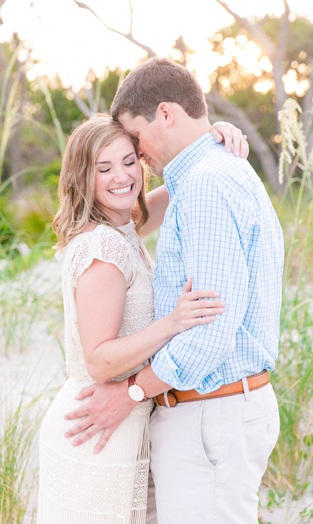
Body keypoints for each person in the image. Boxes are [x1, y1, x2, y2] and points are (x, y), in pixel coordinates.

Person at [64, 58, 284, 524]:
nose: (138, 159)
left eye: (135, 143)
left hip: (211, 416)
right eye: (107, 165)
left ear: (166, 113)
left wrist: (131, 394)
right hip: (210, 415)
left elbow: (209, 335)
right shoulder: (204, 176)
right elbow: (134, 212)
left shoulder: (206, 184)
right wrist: (211, 133)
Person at [36, 113, 246, 523]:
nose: (122, 177)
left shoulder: (122, 227)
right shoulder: (103, 247)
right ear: (84, 176)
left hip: (118, 420)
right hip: (96, 427)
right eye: (104, 167)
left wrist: (212, 135)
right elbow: (99, 360)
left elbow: (185, 184)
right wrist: (173, 322)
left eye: (129, 161)